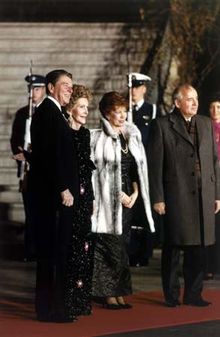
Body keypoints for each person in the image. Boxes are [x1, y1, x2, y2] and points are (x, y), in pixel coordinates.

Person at [147, 84, 220, 307]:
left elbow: (214, 162)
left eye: (196, 98)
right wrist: (158, 198)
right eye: (189, 99)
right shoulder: (162, 125)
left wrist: (216, 193)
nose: (195, 103)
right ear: (177, 103)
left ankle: (193, 294)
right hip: (175, 195)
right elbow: (155, 166)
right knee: (173, 247)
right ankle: (171, 295)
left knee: (198, 248)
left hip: (203, 195)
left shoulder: (206, 124)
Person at [90, 91, 155, 309]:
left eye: (124, 112)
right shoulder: (98, 138)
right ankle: (107, 293)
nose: (122, 116)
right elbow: (99, 175)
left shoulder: (131, 136)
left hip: (129, 197)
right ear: (107, 114)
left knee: (122, 246)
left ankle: (119, 292)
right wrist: (120, 195)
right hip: (108, 199)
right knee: (109, 247)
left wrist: (135, 194)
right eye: (117, 112)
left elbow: (137, 171)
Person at [29, 69, 79, 322]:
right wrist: (63, 188)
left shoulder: (54, 113)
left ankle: (49, 307)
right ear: (50, 87)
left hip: (55, 195)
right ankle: (53, 310)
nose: (70, 89)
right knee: (55, 254)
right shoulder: (48, 113)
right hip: (55, 197)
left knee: (54, 254)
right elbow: (49, 156)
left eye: (72, 86)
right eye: (65, 85)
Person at [63, 84, 96, 319]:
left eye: (87, 107)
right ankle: (68, 302)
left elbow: (88, 171)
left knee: (85, 250)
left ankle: (81, 300)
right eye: (82, 106)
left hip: (85, 198)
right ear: (72, 107)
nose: (85, 111)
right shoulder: (64, 132)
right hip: (69, 199)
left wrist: (91, 198)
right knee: (70, 250)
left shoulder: (85, 134)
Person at [10, 74, 46, 260]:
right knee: (30, 212)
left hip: (43, 171)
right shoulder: (22, 113)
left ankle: (42, 250)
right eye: (31, 89)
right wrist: (21, 156)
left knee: (42, 213)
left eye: (37, 89)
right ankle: (30, 250)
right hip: (27, 171)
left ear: (44, 90)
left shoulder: (48, 112)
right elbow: (15, 139)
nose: (33, 93)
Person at [129, 73, 160, 267]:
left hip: (146, 167)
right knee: (132, 211)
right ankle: (131, 251)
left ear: (144, 89)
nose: (132, 90)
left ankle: (144, 252)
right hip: (130, 167)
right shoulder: (124, 111)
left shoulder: (152, 110)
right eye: (131, 87)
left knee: (145, 209)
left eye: (137, 87)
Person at [204, 96, 220, 279]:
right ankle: (209, 265)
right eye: (212, 107)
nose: (215, 110)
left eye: (218, 107)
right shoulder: (205, 127)